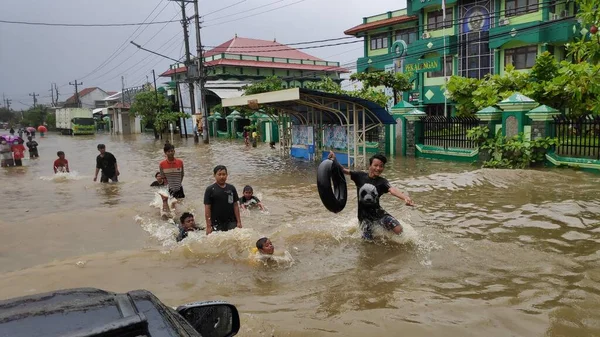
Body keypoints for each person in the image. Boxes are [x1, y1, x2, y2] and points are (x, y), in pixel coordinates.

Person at [328, 151, 414, 240]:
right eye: (375, 165)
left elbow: (392, 190)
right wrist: (334, 159)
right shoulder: (359, 176)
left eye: (381, 166)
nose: (378, 168)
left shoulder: (382, 182)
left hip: (379, 214)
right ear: (370, 166)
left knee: (398, 229)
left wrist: (405, 198)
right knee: (368, 243)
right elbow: (342, 170)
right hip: (364, 218)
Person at [203, 165, 242, 234]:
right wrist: (208, 226)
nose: (222, 177)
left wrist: (239, 222)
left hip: (231, 221)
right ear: (214, 175)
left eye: (224, 174)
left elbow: (235, 205)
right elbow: (207, 208)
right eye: (219, 174)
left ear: (227, 175)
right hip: (216, 222)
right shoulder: (210, 190)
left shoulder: (231, 188)